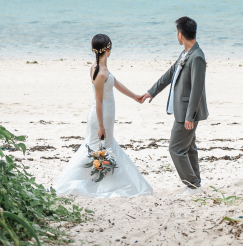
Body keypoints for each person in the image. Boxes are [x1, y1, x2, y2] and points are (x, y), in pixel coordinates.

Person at [54, 33, 153, 199]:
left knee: (104, 149)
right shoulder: (100, 72)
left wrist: (134, 96)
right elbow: (98, 102)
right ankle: (80, 183)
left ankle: (104, 182)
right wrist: (101, 126)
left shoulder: (100, 67)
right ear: (108, 49)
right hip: (101, 116)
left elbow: (115, 82)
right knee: (97, 149)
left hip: (105, 114)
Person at [141, 16, 207, 194]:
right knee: (189, 147)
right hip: (182, 110)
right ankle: (196, 183)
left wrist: (189, 116)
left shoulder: (197, 57)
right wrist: (151, 92)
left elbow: (197, 90)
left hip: (187, 112)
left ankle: (192, 184)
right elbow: (171, 73)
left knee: (176, 148)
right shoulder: (186, 53)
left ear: (180, 35)